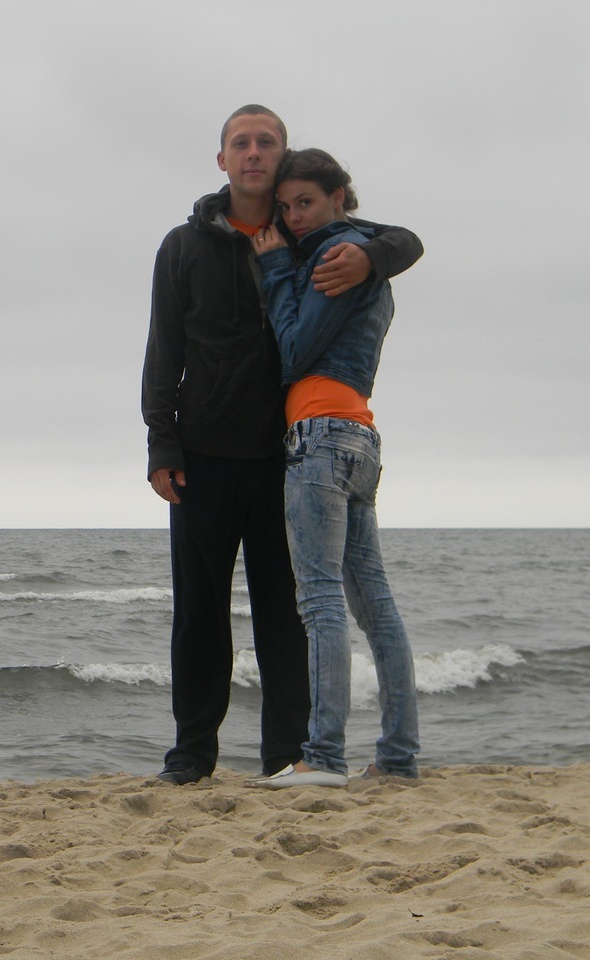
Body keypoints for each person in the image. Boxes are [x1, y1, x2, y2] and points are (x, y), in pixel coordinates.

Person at [142, 107, 423, 785]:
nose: (253, 152)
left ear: (282, 155)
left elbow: (404, 240)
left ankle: (286, 756)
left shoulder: (305, 235)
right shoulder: (184, 245)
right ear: (222, 160)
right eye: (240, 143)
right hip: (203, 454)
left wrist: (372, 257)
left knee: (286, 615)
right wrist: (161, 441)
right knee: (199, 613)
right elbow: (163, 348)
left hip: (287, 454)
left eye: (266, 142)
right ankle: (191, 756)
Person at [248, 148, 419, 788]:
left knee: (320, 602)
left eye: (306, 203)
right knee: (376, 606)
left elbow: (295, 350)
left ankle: (322, 757)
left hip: (319, 435)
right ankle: (398, 759)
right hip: (360, 438)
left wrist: (274, 269)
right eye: (286, 207)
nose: (294, 217)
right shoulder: (367, 254)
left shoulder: (333, 256)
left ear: (338, 197)